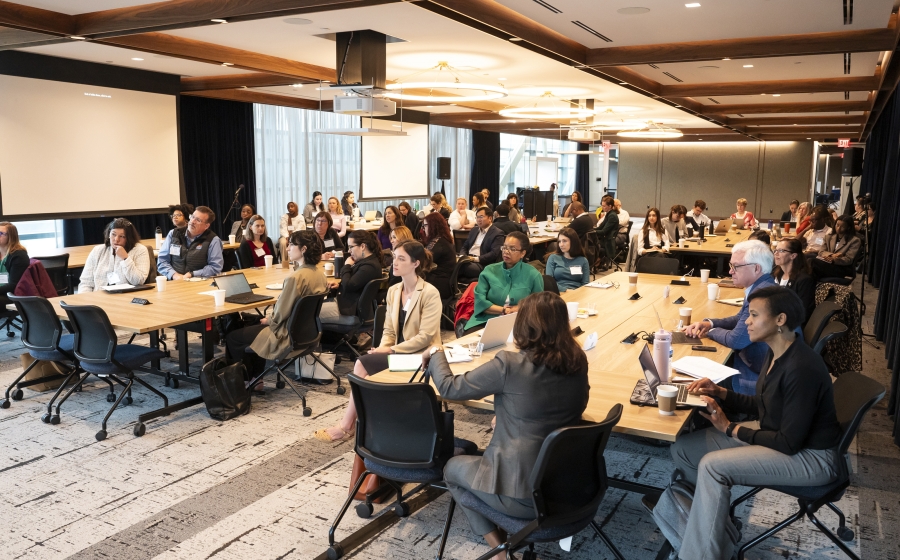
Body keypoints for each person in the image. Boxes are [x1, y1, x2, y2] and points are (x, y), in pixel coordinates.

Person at [664, 287, 840, 560]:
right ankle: (712, 533)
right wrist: (721, 392)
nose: (746, 320)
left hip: (811, 457)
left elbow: (788, 443)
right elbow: (763, 404)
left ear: (780, 320)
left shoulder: (801, 368)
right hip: (780, 434)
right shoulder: (777, 350)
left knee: (712, 466)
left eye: (754, 315)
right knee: (684, 449)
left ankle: (699, 555)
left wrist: (731, 428)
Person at [425, 291, 589, 556]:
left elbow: (449, 388)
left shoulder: (510, 364)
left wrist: (436, 353)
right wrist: (509, 413)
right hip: (570, 483)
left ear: (524, 325)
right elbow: (574, 405)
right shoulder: (577, 360)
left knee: (452, 468)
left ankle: (500, 553)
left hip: (523, 495)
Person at [316, 240, 443, 442]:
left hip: (422, 358)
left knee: (361, 365)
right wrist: (384, 347)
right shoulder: (394, 291)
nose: (395, 262)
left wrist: (390, 350)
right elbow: (389, 329)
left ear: (416, 264)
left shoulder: (429, 293)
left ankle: (350, 426)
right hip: (398, 354)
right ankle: (364, 427)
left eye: (401, 259)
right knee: (365, 373)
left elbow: (426, 337)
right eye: (394, 257)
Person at [225, 230, 329, 383]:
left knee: (234, 337)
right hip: (307, 333)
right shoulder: (319, 273)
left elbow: (281, 312)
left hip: (285, 335)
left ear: (304, 249)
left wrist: (269, 321)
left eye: (292, 245)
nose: (287, 249)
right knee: (252, 324)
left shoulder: (296, 277)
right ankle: (256, 379)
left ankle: (245, 383)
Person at [684, 240, 777, 395]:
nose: (730, 272)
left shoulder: (762, 296)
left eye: (736, 267)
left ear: (756, 268)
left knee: (695, 382)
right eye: (730, 266)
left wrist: (712, 331)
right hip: (757, 365)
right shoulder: (763, 286)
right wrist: (709, 323)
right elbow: (739, 318)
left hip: (758, 377)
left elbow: (736, 340)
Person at [464, 232, 544, 333]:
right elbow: (480, 302)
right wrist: (504, 310)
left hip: (520, 321)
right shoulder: (489, 270)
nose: (506, 252)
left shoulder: (533, 275)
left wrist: (518, 308)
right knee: (474, 343)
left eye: (512, 249)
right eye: (505, 247)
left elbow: (537, 304)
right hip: (486, 319)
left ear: (523, 253)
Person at [320, 230, 384, 325]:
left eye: (351, 247)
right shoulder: (366, 262)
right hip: (349, 305)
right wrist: (339, 286)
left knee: (307, 314)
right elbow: (357, 285)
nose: (349, 251)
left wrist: (346, 266)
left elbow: (349, 285)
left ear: (362, 246)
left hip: (351, 311)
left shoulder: (369, 267)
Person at [78, 218, 152, 292]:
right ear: (109, 234)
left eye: (122, 236)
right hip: (99, 297)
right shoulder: (98, 250)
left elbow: (138, 281)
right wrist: (87, 301)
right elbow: (85, 283)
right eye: (113, 234)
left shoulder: (140, 250)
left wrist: (125, 258)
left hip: (126, 298)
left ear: (129, 238)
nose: (116, 239)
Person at [157, 206, 224, 280]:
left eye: (198, 220)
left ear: (206, 226)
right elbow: (162, 260)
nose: (192, 221)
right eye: (192, 217)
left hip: (199, 282)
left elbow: (215, 267)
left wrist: (192, 274)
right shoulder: (173, 234)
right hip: (175, 281)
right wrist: (174, 275)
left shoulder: (213, 240)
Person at [772, 238, 815, 326]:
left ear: (793, 256)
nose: (776, 253)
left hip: (790, 326)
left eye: (781, 250)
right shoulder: (777, 274)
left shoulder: (804, 280)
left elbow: (802, 313)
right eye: (775, 250)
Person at [459, 207, 506, 282]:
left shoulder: (498, 233)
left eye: (481, 217)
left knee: (461, 267)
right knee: (451, 263)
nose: (478, 219)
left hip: (482, 263)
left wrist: (475, 259)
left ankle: (453, 288)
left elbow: (494, 253)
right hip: (467, 259)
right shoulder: (474, 230)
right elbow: (465, 246)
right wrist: (462, 256)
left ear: (490, 218)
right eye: (477, 217)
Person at [810, 215, 861, 281]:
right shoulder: (828, 237)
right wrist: (831, 256)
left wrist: (833, 259)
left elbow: (848, 259)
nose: (838, 228)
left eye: (842, 226)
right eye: (837, 225)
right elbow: (821, 252)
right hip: (827, 264)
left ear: (848, 227)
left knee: (812, 262)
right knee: (808, 261)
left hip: (841, 268)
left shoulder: (854, 240)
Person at [422, 212, 457, 300]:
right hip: (444, 283)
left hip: (438, 286)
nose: (423, 229)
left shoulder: (437, 243)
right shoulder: (442, 240)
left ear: (432, 226)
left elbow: (423, 261)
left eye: (425, 226)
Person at [0, 223, 30, 306]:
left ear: (10, 237)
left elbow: (13, 285)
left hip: (12, 295)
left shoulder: (19, 256)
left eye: (1, 233)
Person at [595, 195, 619, 264]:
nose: (602, 207)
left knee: (590, 245)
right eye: (602, 205)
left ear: (610, 206)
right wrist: (591, 229)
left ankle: (595, 263)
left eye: (604, 206)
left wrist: (593, 231)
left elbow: (604, 231)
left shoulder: (612, 216)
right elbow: (601, 227)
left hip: (607, 241)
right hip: (606, 238)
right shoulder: (609, 214)